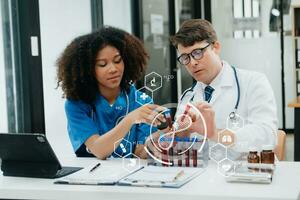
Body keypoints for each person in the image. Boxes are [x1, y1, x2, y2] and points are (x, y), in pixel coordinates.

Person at [170, 19, 278, 153]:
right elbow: (179, 147)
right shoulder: (187, 96)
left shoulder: (253, 82)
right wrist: (181, 132)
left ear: (216, 47)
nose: (192, 63)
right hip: (201, 172)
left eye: (197, 53)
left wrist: (215, 134)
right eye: (185, 57)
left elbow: (267, 136)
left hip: (246, 170)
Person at [56, 26, 165, 159]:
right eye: (102, 64)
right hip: (90, 176)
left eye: (118, 61)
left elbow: (141, 153)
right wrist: (130, 119)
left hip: (129, 175)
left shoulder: (141, 101)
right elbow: (99, 150)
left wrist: (164, 134)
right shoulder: (76, 104)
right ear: (87, 69)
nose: (113, 69)